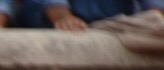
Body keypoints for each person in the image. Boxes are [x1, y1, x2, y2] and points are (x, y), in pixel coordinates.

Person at [25, 0, 162, 29]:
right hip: (62, 30)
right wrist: (64, 18)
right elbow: (53, 5)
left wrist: (155, 20)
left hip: (119, 26)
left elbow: (157, 9)